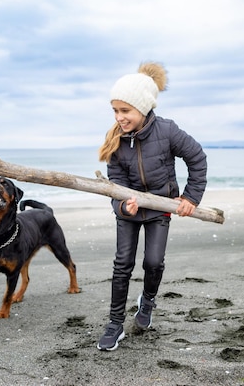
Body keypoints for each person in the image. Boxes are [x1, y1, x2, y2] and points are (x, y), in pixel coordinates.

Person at [96, 61, 207, 351]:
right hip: (130, 212)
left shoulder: (168, 131)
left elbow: (197, 159)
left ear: (143, 108)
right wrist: (124, 207)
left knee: (154, 262)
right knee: (123, 265)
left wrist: (190, 198)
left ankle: (147, 302)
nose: (119, 117)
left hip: (160, 209)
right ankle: (115, 323)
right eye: (115, 111)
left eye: (125, 111)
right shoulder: (116, 142)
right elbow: (115, 184)